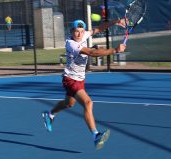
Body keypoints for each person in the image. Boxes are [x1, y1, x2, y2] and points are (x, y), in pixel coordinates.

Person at [42, 18, 126, 150]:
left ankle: (50, 114)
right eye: (77, 31)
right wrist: (114, 50)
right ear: (71, 31)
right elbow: (92, 53)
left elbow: (98, 29)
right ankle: (95, 135)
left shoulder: (83, 35)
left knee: (69, 103)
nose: (80, 34)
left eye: (81, 31)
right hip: (70, 79)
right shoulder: (71, 44)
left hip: (80, 79)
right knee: (88, 103)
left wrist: (115, 21)